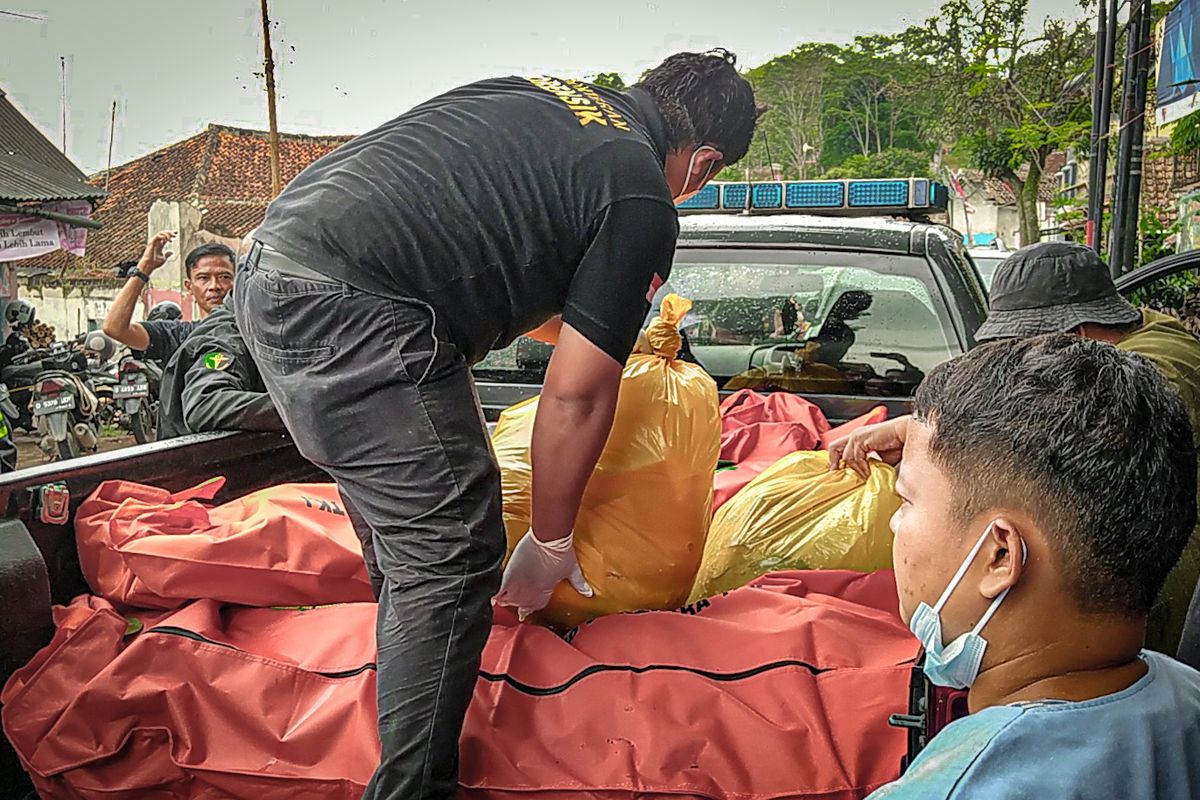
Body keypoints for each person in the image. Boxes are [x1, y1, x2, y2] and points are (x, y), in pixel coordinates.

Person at [235, 50, 758, 799]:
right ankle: (413, 786)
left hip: (271, 272)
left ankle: (402, 713)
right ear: (703, 165)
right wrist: (550, 542)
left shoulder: (543, 96)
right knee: (452, 555)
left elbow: (502, 272)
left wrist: (617, 331)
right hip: (358, 306)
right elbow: (575, 398)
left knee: (411, 554)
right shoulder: (641, 193)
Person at [863, 334, 1200, 799]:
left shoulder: (959, 788)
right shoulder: (1188, 697)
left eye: (906, 500)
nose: (894, 523)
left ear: (999, 555)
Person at [831, 241, 1200, 654]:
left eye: (1023, 344)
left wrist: (922, 435)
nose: (1018, 358)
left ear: (1073, 336)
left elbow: (1062, 427)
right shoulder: (1127, 341)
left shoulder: (1157, 369)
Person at [156, 295, 283, 440]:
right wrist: (301, 412)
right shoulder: (226, 336)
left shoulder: (259, 325)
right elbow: (204, 403)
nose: (214, 287)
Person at [103, 233, 236, 364]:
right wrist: (144, 267)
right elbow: (115, 328)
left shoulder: (251, 332)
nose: (214, 286)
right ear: (189, 287)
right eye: (203, 278)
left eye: (224, 277)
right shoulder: (176, 335)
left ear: (238, 283)